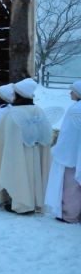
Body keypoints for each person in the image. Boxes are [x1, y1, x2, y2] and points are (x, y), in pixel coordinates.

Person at [0, 78, 53, 214]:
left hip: (17, 155)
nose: (12, 96)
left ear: (20, 95)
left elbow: (3, 139)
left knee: (18, 174)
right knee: (33, 175)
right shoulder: (39, 111)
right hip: (35, 152)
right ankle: (34, 201)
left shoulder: (13, 113)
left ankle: (19, 202)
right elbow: (47, 135)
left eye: (15, 93)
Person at [45, 80, 81, 223]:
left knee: (70, 187)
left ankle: (69, 215)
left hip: (71, 154)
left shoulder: (75, 110)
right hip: (76, 152)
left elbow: (68, 134)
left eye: (72, 90)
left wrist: (59, 149)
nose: (70, 93)